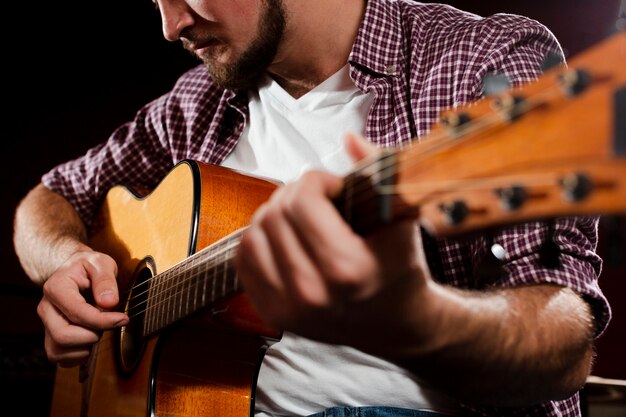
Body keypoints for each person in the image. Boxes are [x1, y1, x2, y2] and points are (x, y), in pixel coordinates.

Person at [12, 0, 609, 416]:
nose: (170, 25)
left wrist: (417, 317)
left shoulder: (477, 61)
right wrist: (65, 262)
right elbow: (50, 197)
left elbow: (563, 347)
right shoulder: (197, 102)